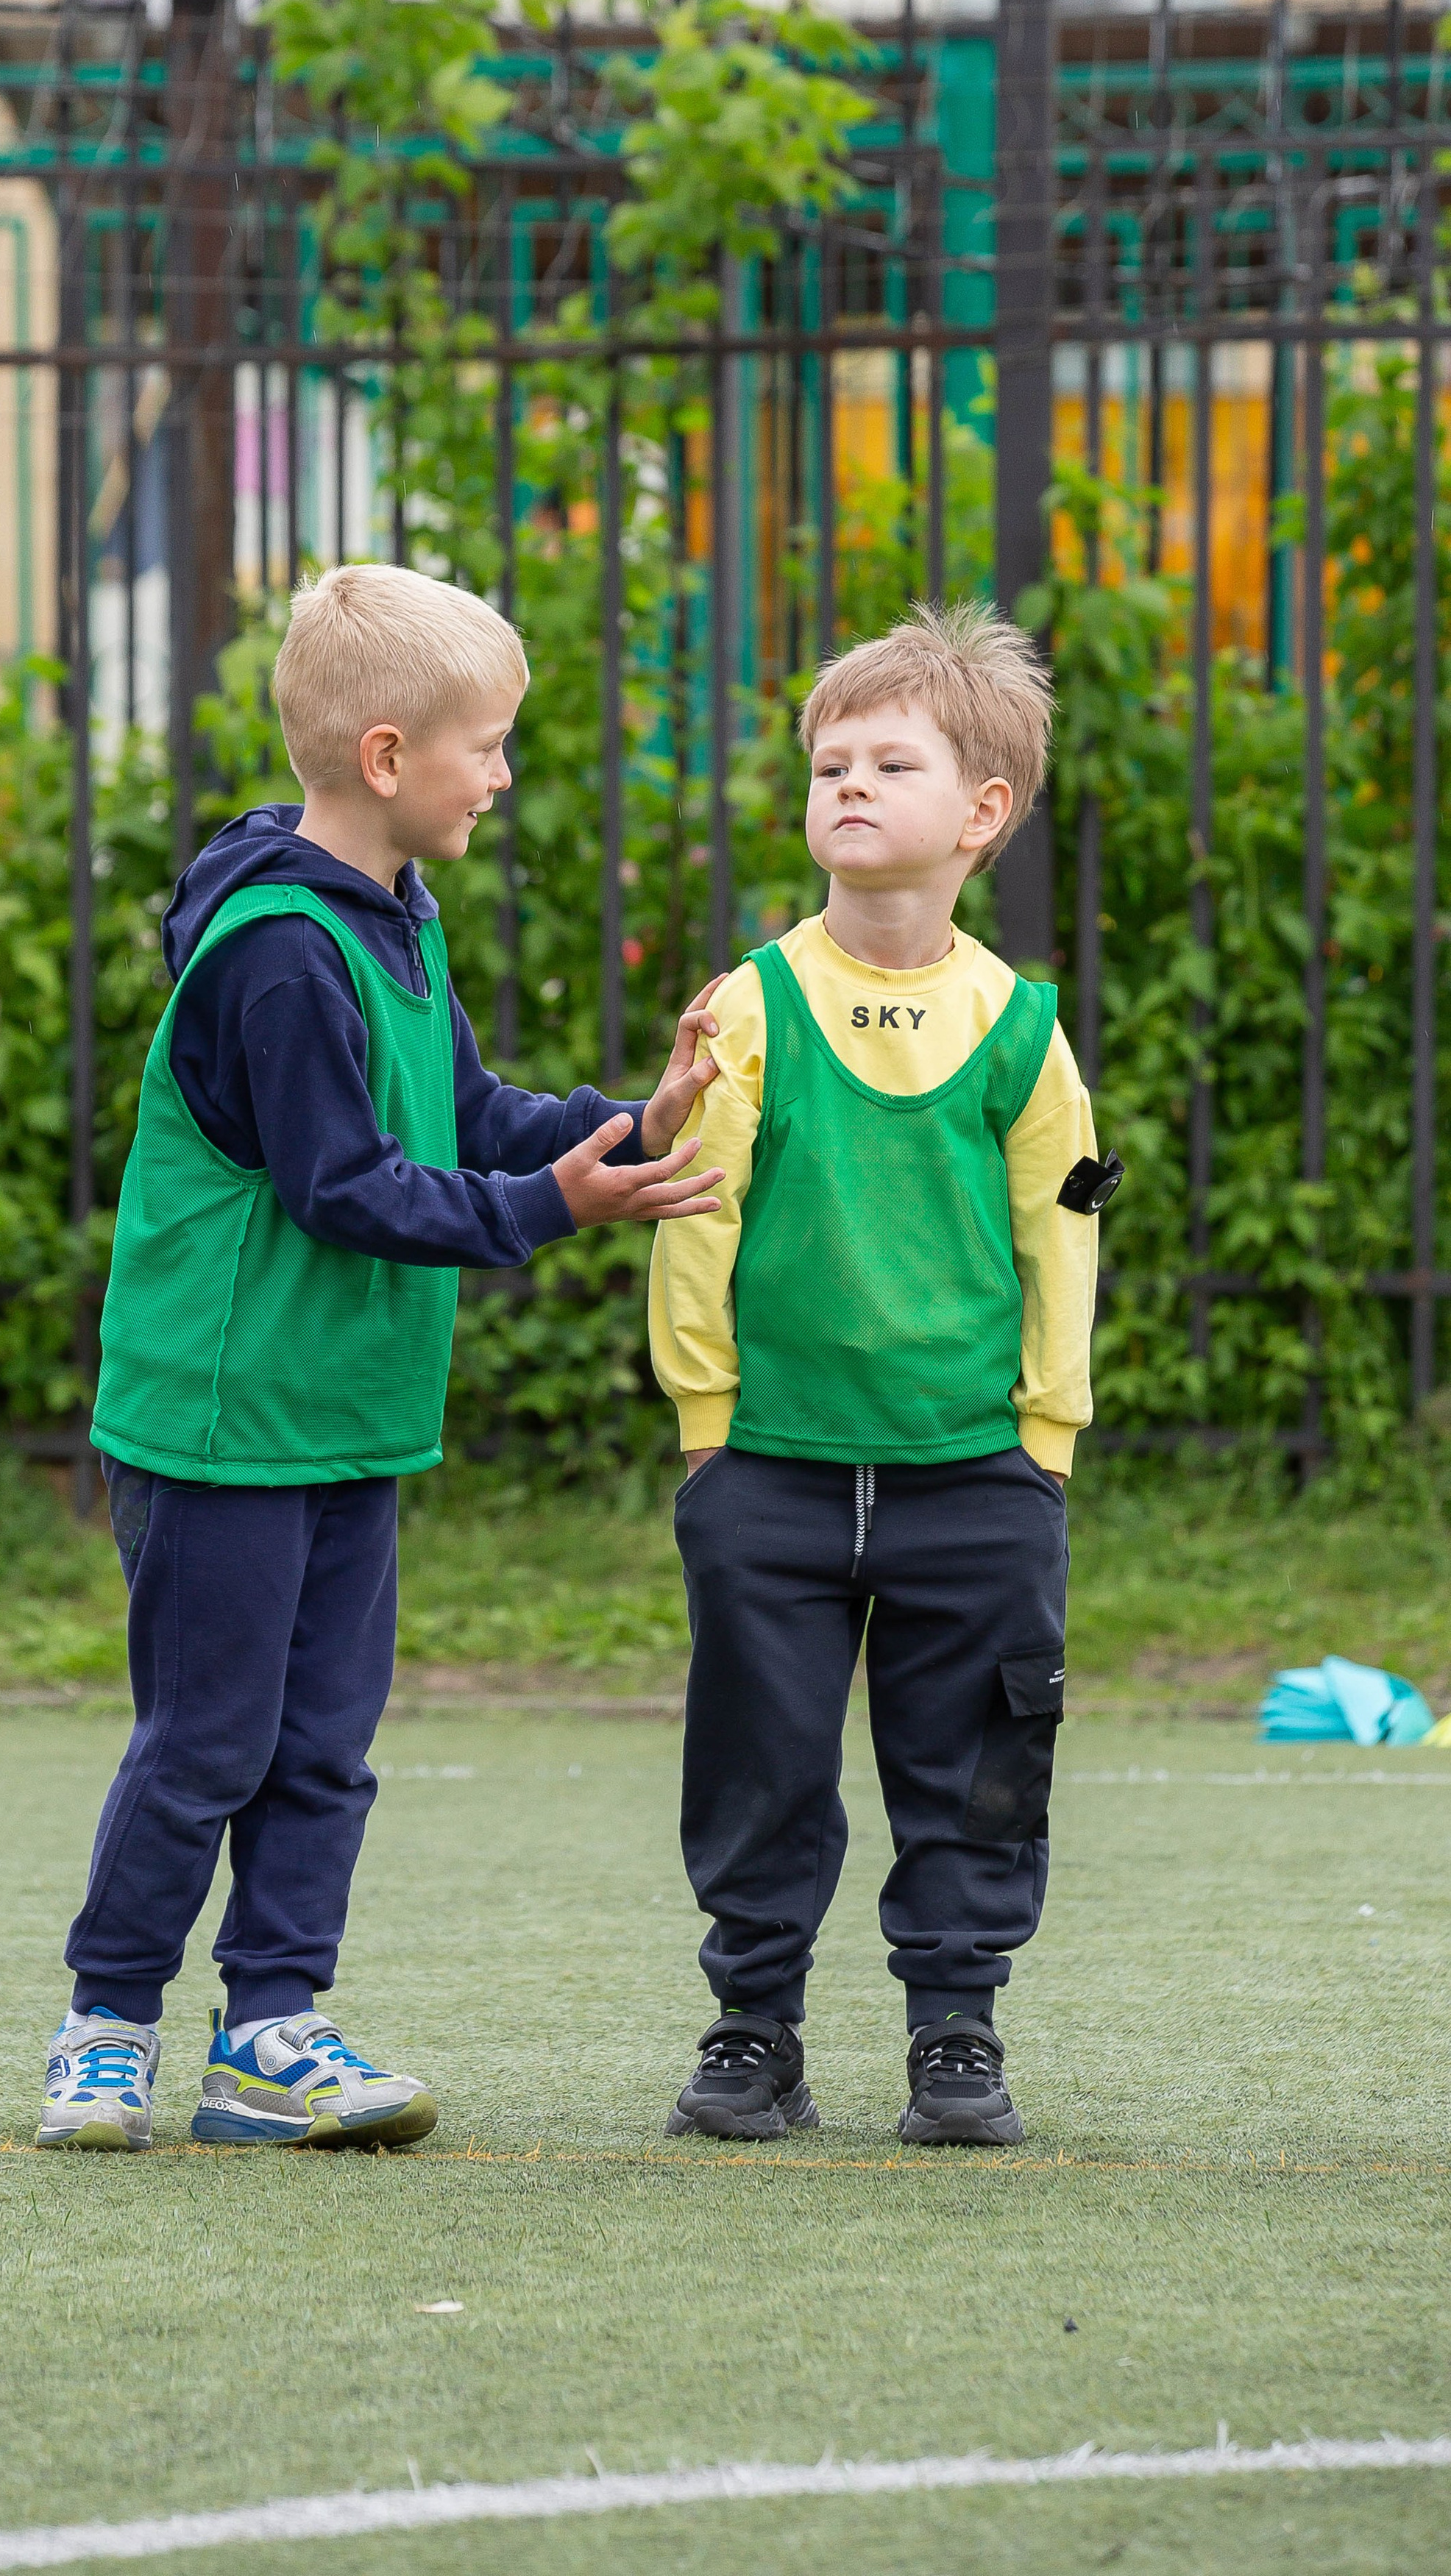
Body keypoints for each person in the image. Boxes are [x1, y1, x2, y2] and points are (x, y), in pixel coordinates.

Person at [39, 562, 725, 2154]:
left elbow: (462, 1116)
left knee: (325, 1746)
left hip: (341, 1416)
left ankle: (268, 2033)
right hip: (221, 1421)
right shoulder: (279, 949)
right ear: (385, 759)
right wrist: (556, 1206)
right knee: (205, 1742)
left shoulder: (394, 917)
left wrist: (624, 1125)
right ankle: (106, 2024)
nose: (501, 776)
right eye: (485, 746)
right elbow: (342, 1186)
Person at [649, 601, 1108, 2149]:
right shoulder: (747, 1006)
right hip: (767, 1471)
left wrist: (1042, 1437)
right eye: (825, 761)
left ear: (979, 814)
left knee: (975, 1762)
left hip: (973, 1473)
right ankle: (751, 2029)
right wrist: (705, 1432)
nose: (846, 783)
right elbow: (693, 1222)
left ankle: (955, 2032)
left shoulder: (1019, 1032)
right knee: (757, 1768)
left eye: (888, 761)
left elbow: (1062, 1242)